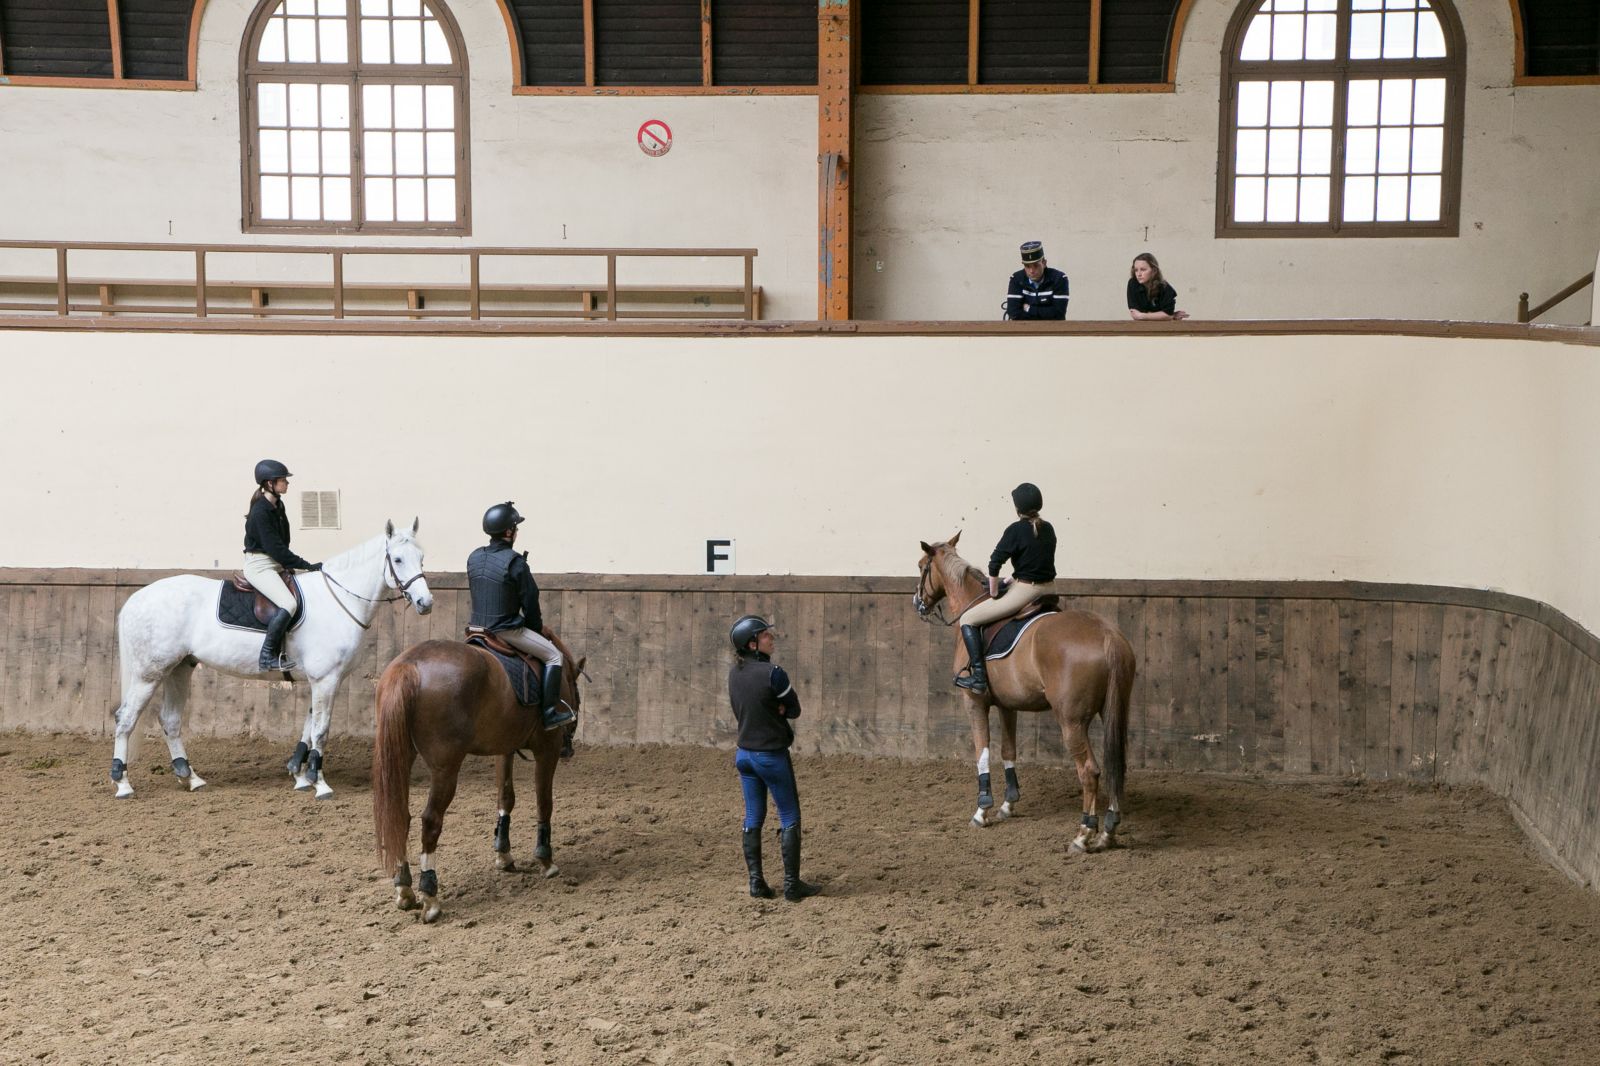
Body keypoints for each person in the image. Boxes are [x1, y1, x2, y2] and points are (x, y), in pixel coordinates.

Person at [728, 615, 819, 903]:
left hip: (744, 755)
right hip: (771, 756)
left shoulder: (734, 673)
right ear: (753, 644)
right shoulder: (773, 673)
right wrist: (778, 709)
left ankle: (756, 881)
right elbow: (793, 710)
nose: (772, 639)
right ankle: (792, 885)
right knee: (789, 815)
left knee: (754, 815)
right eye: (766, 636)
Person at [466, 501, 575, 732]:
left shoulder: (473, 558)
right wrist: (536, 629)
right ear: (509, 532)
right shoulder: (515, 563)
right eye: (515, 528)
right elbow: (530, 604)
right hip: (505, 631)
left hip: (475, 629)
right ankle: (549, 713)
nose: (516, 532)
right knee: (555, 656)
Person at [954, 482, 1058, 694]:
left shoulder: (1016, 530)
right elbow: (1036, 561)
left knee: (967, 619)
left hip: (1026, 591)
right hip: (1049, 589)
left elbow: (994, 563)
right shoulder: (1048, 528)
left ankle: (979, 678)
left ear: (1017, 508)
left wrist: (993, 591)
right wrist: (1012, 579)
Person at [243, 459, 322, 672]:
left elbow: (283, 541)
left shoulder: (278, 505)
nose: (287, 483)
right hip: (260, 566)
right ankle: (266, 655)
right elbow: (275, 548)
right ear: (269, 483)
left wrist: (288, 564)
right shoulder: (260, 511)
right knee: (289, 604)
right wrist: (306, 565)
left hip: (275, 563)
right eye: (282, 480)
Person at [1005, 240, 1069, 321]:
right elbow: (1013, 313)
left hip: (1052, 332)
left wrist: (1029, 309)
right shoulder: (1016, 279)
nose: (1031, 271)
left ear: (1044, 263)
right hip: (1024, 331)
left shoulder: (1059, 279)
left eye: (1036, 265)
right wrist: (1046, 312)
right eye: (1027, 266)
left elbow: (1059, 314)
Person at [1127, 252, 1190, 321]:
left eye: (1143, 269)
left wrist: (1143, 315)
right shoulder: (1133, 283)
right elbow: (1135, 314)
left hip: (1162, 327)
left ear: (1154, 270)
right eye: (1136, 270)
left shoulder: (1166, 288)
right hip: (1141, 327)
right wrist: (1163, 315)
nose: (1138, 274)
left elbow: (1167, 315)